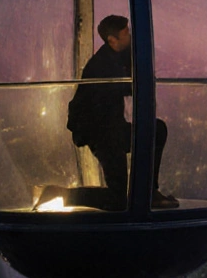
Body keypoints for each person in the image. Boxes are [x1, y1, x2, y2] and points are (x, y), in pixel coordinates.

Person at [67, 15, 179, 209]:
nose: (130, 36)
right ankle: (64, 196)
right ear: (113, 40)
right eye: (126, 33)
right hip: (100, 134)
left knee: (157, 130)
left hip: (113, 130)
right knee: (118, 199)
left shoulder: (119, 56)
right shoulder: (101, 66)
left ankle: (149, 191)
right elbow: (129, 87)